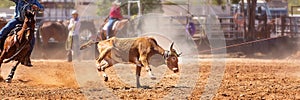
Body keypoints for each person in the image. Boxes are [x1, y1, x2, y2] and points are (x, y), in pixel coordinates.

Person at [0, 0, 44, 66]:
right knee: (5, 29)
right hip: (17, 20)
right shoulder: (19, 0)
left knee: (32, 38)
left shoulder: (34, 1)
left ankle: (27, 57)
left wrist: (37, 8)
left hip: (28, 22)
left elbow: (42, 9)